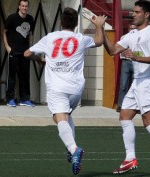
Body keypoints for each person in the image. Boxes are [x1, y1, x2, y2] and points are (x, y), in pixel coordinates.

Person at [24, 8, 106, 175]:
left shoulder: (50, 37)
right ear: (76, 24)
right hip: (76, 89)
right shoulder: (80, 38)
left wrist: (41, 59)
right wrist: (99, 26)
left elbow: (27, 53)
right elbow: (98, 41)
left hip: (57, 87)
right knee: (67, 115)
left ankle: (73, 149)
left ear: (61, 22)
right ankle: (71, 149)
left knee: (59, 118)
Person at [103, 1, 150, 177]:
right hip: (137, 83)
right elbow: (112, 50)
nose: (133, 14)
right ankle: (130, 158)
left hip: (148, 82)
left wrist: (136, 58)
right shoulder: (132, 34)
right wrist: (101, 30)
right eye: (133, 11)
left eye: (137, 12)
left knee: (148, 121)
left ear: (147, 15)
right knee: (124, 116)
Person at [2, 0, 35, 107]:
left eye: (26, 6)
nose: (24, 8)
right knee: (12, 76)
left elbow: (30, 34)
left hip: (25, 52)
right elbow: (4, 32)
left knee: (25, 75)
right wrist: (7, 47)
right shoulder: (12, 18)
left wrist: (30, 48)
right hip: (14, 51)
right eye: (22, 6)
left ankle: (24, 99)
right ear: (19, 6)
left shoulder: (30, 19)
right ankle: (10, 99)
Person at [116, 22, 137, 112]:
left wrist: (133, 54)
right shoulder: (124, 37)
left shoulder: (139, 38)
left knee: (134, 85)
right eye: (131, 28)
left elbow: (140, 52)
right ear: (128, 29)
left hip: (136, 62)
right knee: (123, 85)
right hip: (126, 61)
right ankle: (121, 105)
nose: (132, 30)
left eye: (134, 28)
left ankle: (133, 105)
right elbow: (122, 51)